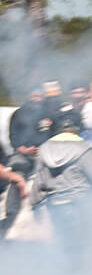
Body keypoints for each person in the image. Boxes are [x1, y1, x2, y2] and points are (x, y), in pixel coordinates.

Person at [30, 111, 92, 247]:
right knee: (83, 246)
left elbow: (38, 181)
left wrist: (34, 206)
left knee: (63, 246)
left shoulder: (44, 149)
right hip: (81, 205)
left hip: (55, 206)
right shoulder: (84, 148)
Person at [4, 87, 51, 227]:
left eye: (40, 96)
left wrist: (43, 149)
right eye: (35, 96)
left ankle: (44, 214)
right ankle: (10, 213)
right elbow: (12, 136)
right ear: (29, 96)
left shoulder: (48, 114)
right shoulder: (18, 114)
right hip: (22, 153)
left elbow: (53, 134)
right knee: (18, 171)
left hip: (45, 153)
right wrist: (23, 149)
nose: (37, 99)